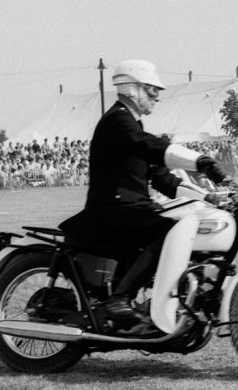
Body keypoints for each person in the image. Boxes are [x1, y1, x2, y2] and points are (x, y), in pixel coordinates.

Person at [58, 59, 226, 333]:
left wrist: (208, 198)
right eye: (151, 90)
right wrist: (201, 160)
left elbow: (164, 180)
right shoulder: (117, 122)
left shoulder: (132, 127)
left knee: (180, 224)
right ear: (132, 89)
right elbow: (149, 147)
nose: (157, 96)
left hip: (131, 209)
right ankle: (120, 300)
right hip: (112, 211)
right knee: (170, 232)